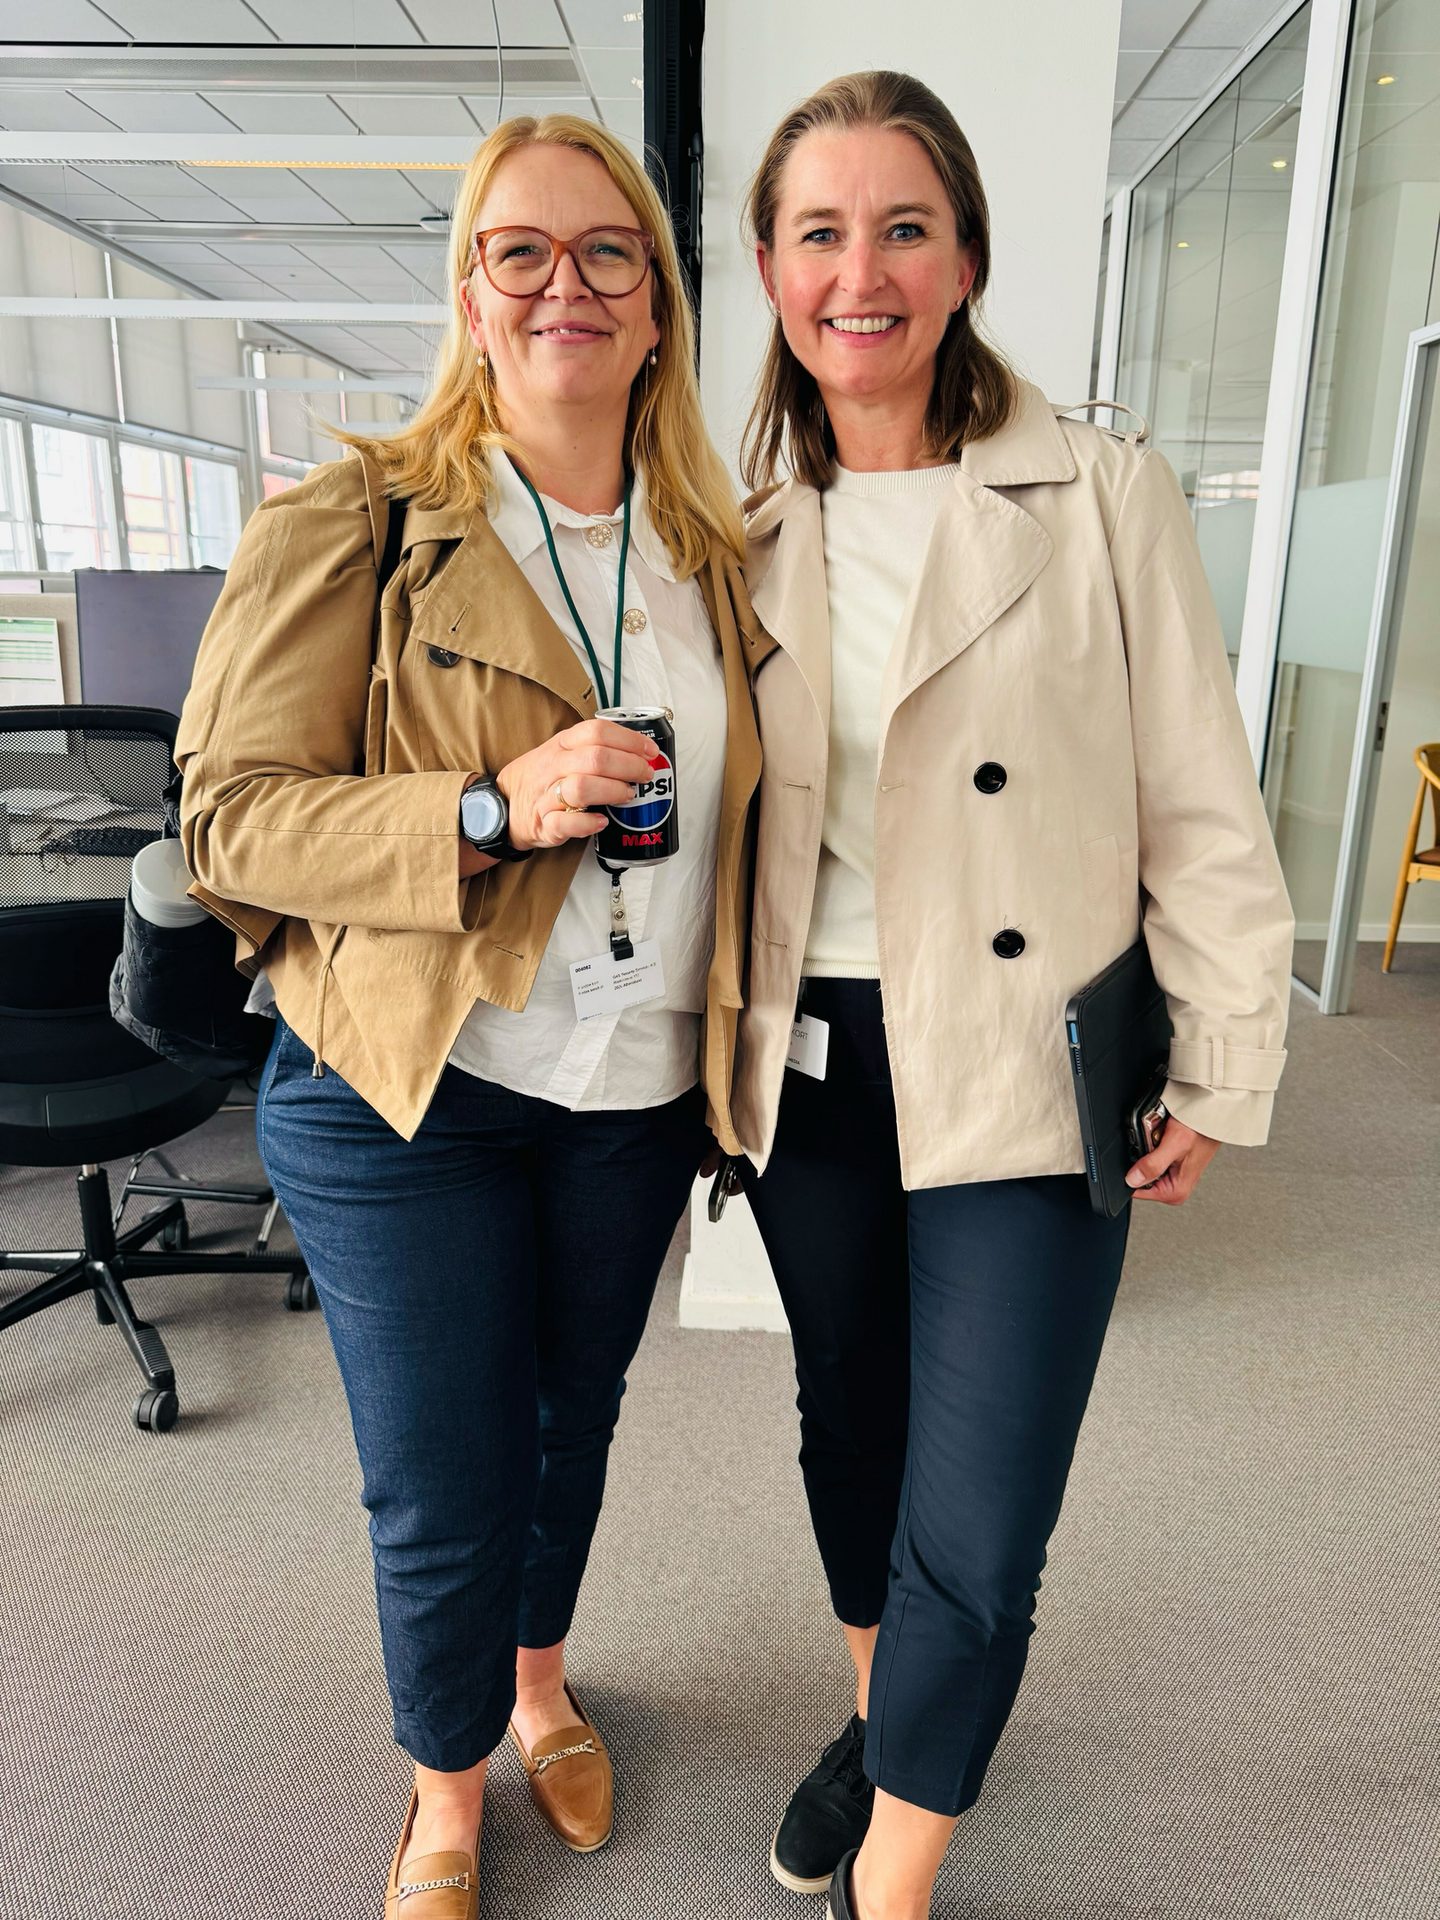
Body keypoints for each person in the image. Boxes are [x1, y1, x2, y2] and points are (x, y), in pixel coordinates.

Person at [175, 114, 758, 1920]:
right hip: (407, 1085)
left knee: (570, 1424)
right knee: (442, 1473)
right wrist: (491, 808)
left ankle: (539, 1687)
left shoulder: (717, 551)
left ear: (656, 303)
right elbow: (227, 819)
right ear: (469, 294)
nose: (564, 283)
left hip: (632, 1078)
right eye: (522, 251)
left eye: (606, 251)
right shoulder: (356, 518)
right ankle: (444, 1789)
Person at [728, 71, 1294, 1920]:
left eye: (905, 228)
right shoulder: (731, 523)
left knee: (980, 1505)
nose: (862, 273)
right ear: (769, 269)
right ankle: (880, 1715)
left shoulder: (1102, 494)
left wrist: (1218, 1055)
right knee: (852, 1430)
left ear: (967, 258)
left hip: (1027, 1062)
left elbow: (1200, 803)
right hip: (815, 1060)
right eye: (821, 232)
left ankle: (892, 1882)